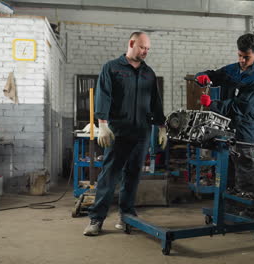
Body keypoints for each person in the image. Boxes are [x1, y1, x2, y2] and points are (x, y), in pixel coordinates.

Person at [83, 32, 167, 236]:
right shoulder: (112, 68)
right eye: (142, 47)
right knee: (109, 175)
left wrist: (162, 126)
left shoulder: (149, 73)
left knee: (133, 175)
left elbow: (155, 102)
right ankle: (96, 219)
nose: (145, 52)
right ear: (131, 43)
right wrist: (102, 124)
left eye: (148, 49)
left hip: (142, 132)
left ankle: (126, 215)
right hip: (118, 132)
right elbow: (104, 95)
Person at [195, 33, 254, 219]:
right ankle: (231, 210)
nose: (242, 60)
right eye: (240, 55)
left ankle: (249, 213)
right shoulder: (233, 70)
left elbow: (240, 106)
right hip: (226, 127)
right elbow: (215, 76)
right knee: (228, 169)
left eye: (246, 57)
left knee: (246, 168)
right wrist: (202, 76)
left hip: (245, 129)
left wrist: (212, 104)